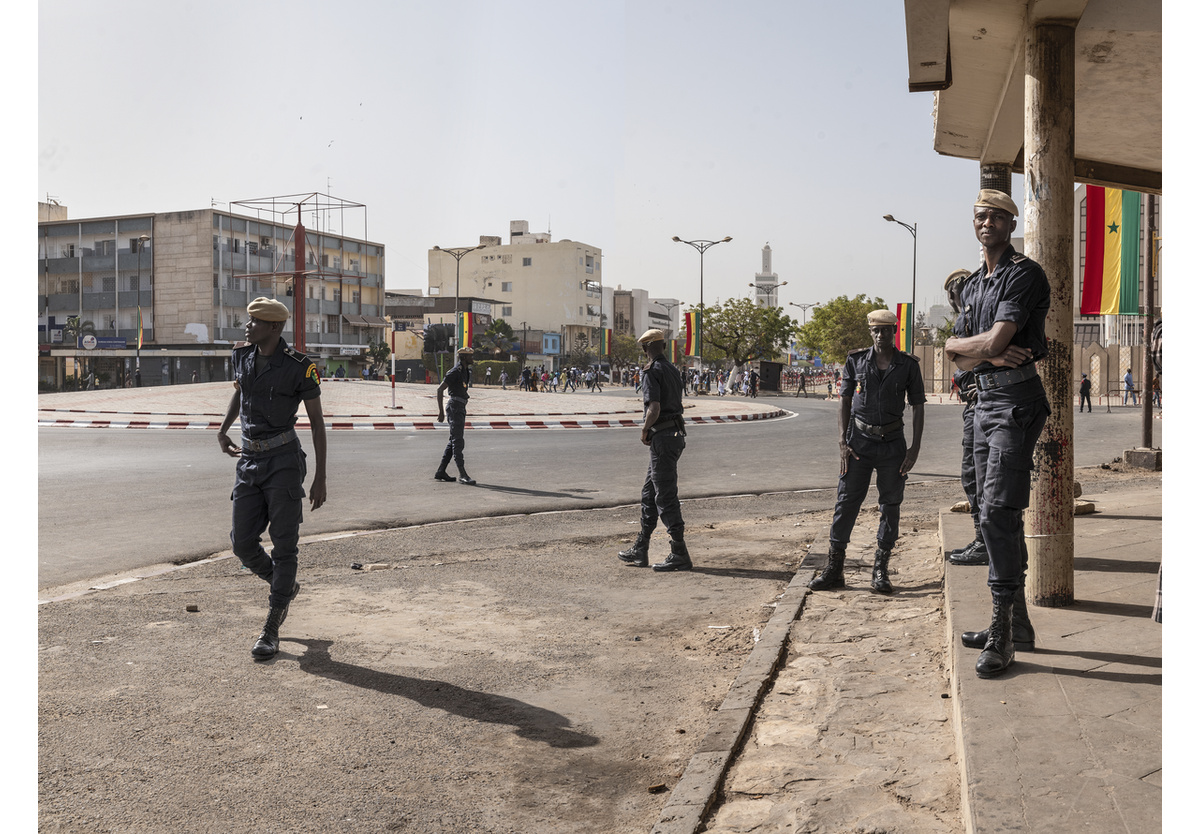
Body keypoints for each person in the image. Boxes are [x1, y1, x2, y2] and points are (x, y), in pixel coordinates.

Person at [945, 189, 1051, 679]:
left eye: (996, 217)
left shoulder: (1022, 274)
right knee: (990, 512)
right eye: (979, 216)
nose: (986, 222)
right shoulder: (970, 287)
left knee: (998, 511)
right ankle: (1017, 625)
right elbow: (959, 354)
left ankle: (1002, 633)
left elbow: (993, 341)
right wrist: (967, 348)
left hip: (1016, 402)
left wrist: (977, 349)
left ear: (1011, 225)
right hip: (983, 401)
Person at [217, 297, 327, 661]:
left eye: (256, 321)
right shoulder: (242, 356)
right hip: (249, 460)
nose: (248, 326)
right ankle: (285, 587)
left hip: (283, 461)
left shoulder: (300, 367)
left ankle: (272, 626)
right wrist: (223, 429)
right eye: (249, 320)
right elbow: (241, 393)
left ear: (275, 327)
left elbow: (316, 422)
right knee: (242, 544)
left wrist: (321, 477)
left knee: (284, 546)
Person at [809, 309, 925, 596]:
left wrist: (915, 448)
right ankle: (835, 568)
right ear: (870, 332)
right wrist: (842, 441)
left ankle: (880, 568)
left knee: (890, 505)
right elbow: (844, 401)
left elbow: (919, 405)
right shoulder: (856, 361)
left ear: (894, 332)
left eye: (886, 330)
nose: (881, 335)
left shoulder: (908, 365)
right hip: (858, 443)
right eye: (876, 330)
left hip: (893, 444)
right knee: (846, 502)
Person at [618, 329, 691, 572]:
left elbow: (654, 408)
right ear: (663, 346)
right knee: (649, 494)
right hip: (675, 436)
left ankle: (679, 551)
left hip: (662, 438)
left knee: (664, 495)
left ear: (646, 348)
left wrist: (644, 430)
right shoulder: (672, 369)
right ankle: (641, 547)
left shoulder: (651, 371)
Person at [945, 268, 988, 567]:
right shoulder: (965, 323)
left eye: (957, 289)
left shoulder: (981, 317)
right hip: (973, 403)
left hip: (987, 402)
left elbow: (977, 353)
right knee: (971, 475)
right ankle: (982, 538)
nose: (954, 296)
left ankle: (988, 542)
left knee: (983, 477)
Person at [435, 347, 476, 485]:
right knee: (458, 442)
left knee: (453, 440)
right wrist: (440, 412)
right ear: (464, 358)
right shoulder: (455, 371)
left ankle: (441, 471)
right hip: (455, 407)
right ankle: (462, 474)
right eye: (470, 356)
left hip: (460, 407)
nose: (472, 358)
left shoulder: (465, 371)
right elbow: (440, 389)